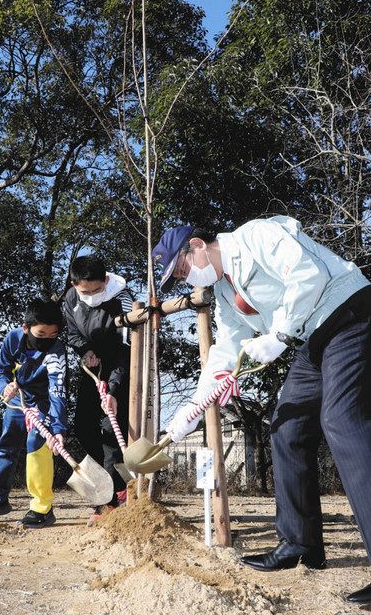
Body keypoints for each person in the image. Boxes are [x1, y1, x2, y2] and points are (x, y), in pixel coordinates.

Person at [153, 216, 371, 604]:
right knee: (286, 429)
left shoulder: (255, 236)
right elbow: (226, 348)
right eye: (181, 277)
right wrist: (189, 410)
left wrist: (280, 335)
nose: (188, 279)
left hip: (347, 315)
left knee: (341, 420)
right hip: (310, 339)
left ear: (198, 245)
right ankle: (300, 544)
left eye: (184, 268)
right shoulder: (222, 292)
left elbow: (308, 274)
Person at [0, 298, 67, 529]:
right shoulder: (13, 338)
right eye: (41, 334)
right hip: (18, 400)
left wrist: (57, 429)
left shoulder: (56, 351)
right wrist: (5, 385)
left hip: (43, 402)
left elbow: (58, 390)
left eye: (52, 334)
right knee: (7, 444)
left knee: (36, 443)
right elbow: (1, 369)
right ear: (26, 328)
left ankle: (41, 507)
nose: (46, 340)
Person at [64, 254, 133, 525]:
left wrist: (114, 389)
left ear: (106, 280)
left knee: (110, 433)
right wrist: (86, 350)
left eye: (97, 289)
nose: (91, 295)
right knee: (82, 427)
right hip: (91, 371)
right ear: (74, 284)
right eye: (85, 291)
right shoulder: (71, 298)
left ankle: (109, 502)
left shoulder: (123, 299)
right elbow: (72, 333)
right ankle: (109, 489)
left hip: (120, 370)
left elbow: (126, 350)